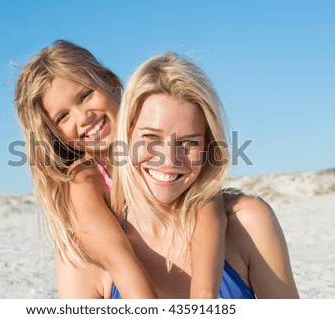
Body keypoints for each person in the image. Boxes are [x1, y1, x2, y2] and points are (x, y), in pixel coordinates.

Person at [14, 40, 227, 298]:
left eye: (85, 96)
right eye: (63, 117)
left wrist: (204, 297)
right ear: (56, 135)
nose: (83, 117)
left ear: (111, 83)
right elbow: (119, 258)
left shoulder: (157, 132)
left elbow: (206, 198)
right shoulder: (86, 178)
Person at [110, 52, 299, 298]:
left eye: (188, 142)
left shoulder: (248, 224)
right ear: (127, 134)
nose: (169, 160)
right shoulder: (89, 252)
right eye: (151, 137)